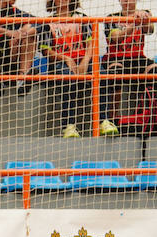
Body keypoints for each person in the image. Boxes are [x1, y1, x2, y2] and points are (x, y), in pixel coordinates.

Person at [42, 0, 100, 137]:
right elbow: (46, 51)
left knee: (102, 75)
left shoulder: (82, 18)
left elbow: (92, 43)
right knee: (69, 77)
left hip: (82, 59)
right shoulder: (47, 22)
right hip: (60, 62)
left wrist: (85, 61)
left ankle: (103, 121)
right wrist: (66, 59)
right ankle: (68, 125)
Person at [101, 0, 153, 130]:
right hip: (115, 58)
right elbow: (116, 38)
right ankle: (112, 119)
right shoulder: (111, 17)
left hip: (137, 57)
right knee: (115, 72)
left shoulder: (144, 14)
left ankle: (149, 118)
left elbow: (150, 30)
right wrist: (133, 24)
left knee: (153, 70)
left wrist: (144, 18)